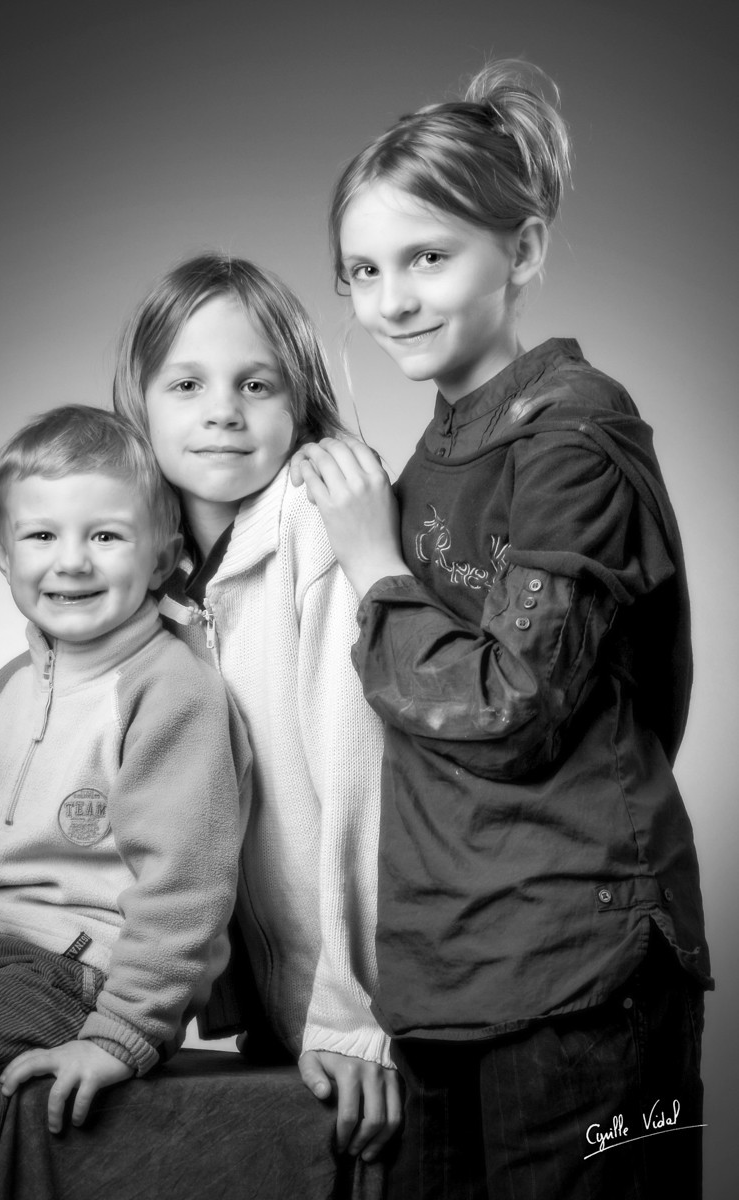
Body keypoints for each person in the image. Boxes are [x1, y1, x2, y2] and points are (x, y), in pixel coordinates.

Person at [292, 59, 712, 1200]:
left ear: (520, 252)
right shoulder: (431, 456)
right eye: (361, 272)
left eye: (429, 257)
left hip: (579, 962)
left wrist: (372, 563)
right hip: (446, 967)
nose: (391, 300)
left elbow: (513, 706)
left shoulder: (574, 433)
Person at [0, 405, 249, 1200]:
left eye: (105, 535)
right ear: (2, 554)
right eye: (41, 537)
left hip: (70, 971)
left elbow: (187, 883)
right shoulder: (2, 691)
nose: (71, 562)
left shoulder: (171, 691)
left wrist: (129, 1029)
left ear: (164, 552)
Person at [113, 253, 400, 1164]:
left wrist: (358, 1017)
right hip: (281, 1014)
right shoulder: (154, 578)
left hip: (361, 1006)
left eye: (256, 383)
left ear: (300, 400)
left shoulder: (313, 525)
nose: (222, 411)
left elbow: (367, 783)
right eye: (187, 383)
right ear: (142, 403)